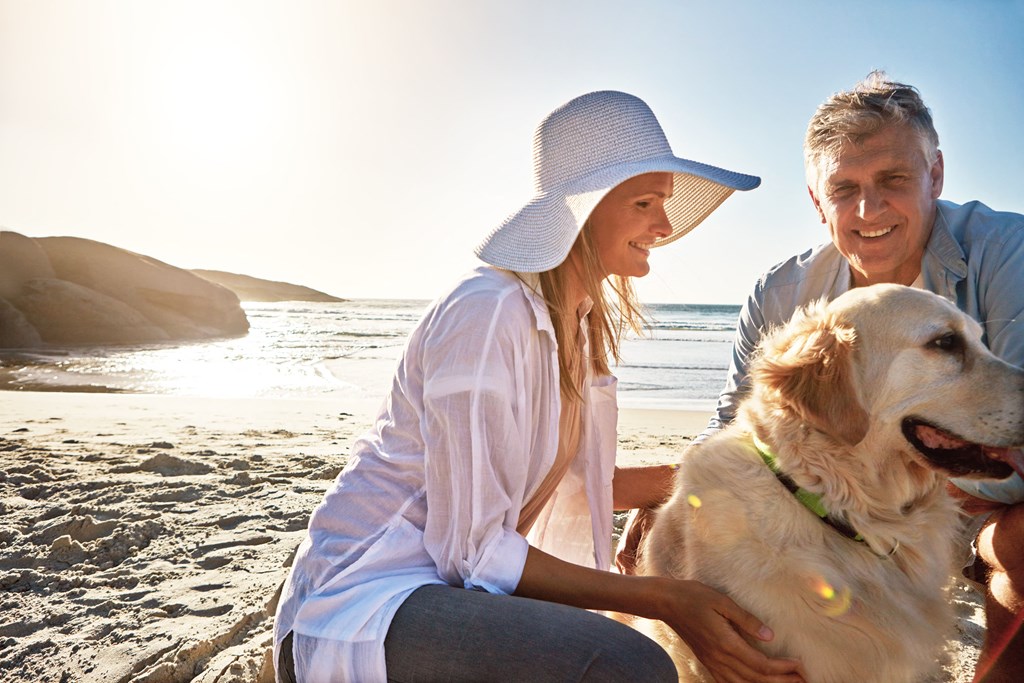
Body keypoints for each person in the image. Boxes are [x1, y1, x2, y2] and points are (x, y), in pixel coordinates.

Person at [272, 90, 806, 683]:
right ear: (583, 209)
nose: (664, 224)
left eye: (666, 203)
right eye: (645, 202)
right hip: (365, 601)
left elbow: (586, 490)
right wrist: (662, 598)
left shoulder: (577, 327)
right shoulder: (489, 312)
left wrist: (736, 482)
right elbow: (472, 550)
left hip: (444, 592)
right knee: (628, 663)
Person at [678, 72, 1024, 682]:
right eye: (844, 189)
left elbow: (1014, 424)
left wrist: (899, 483)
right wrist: (683, 504)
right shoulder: (783, 294)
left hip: (968, 503)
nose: (869, 210)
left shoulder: (1010, 255)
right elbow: (733, 422)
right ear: (817, 202)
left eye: (893, 180)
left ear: (935, 176)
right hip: (839, 501)